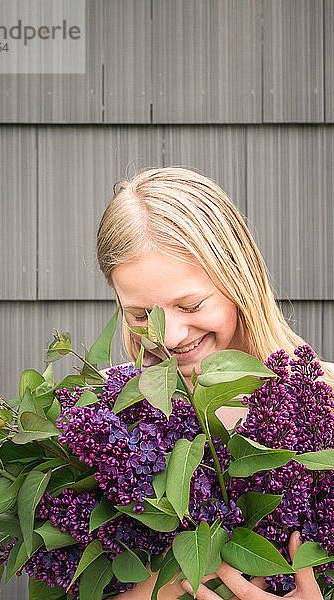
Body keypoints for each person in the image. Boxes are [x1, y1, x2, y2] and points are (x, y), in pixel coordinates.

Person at [96, 166, 334, 599]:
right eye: (139, 316)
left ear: (237, 279)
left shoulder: (326, 406)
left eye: (190, 304)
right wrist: (170, 584)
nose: (168, 337)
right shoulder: (106, 430)